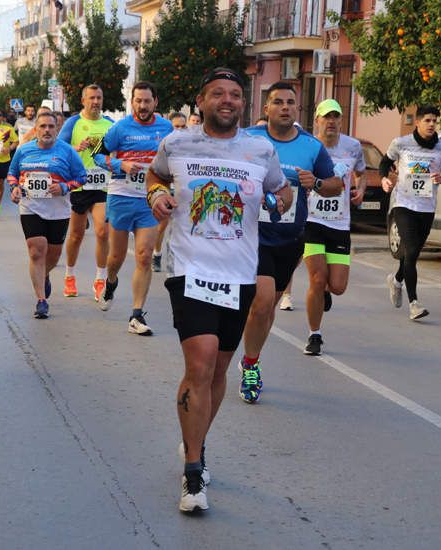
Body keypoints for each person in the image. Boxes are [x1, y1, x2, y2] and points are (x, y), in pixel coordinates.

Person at [147, 67, 289, 513]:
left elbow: (281, 193)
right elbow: (154, 177)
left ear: (242, 104)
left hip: (240, 273)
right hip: (188, 268)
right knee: (201, 361)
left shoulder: (260, 149)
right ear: (201, 101)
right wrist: (156, 197)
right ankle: (192, 474)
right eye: (217, 94)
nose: (227, 100)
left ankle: (198, 440)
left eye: (234, 94)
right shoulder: (177, 143)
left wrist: (278, 201)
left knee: (219, 369)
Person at [236, 82, 342, 403]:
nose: (285, 107)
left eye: (290, 102)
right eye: (277, 102)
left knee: (268, 310)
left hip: (291, 238)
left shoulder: (312, 147)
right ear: (266, 109)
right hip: (252, 235)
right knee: (263, 299)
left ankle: (250, 357)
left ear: (298, 110)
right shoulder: (250, 140)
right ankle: (251, 365)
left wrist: (318, 182)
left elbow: (336, 185)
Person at [92, 82, 174, 335]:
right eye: (138, 100)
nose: (142, 105)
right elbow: (97, 155)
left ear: (155, 102)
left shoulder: (166, 128)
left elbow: (175, 159)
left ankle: (136, 314)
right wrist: (120, 165)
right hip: (121, 196)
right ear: (132, 102)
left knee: (144, 255)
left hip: (150, 198)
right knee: (115, 258)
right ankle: (111, 281)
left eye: (147, 101)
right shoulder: (120, 128)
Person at [379, 106, 441, 320]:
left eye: (435, 120)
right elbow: (385, 163)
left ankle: (396, 279)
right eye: (427, 120)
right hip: (403, 204)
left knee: (413, 253)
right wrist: (384, 179)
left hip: (427, 207)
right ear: (417, 122)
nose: (431, 124)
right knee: (410, 251)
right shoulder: (401, 143)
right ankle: (414, 303)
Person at [302, 99, 366, 355]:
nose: (331, 122)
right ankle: (314, 335)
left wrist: (360, 190)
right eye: (326, 117)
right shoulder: (308, 145)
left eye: (335, 117)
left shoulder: (353, 147)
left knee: (337, 286)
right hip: (312, 221)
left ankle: (326, 292)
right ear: (317, 120)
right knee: (317, 279)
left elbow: (360, 173)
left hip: (339, 223)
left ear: (341, 120)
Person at [7, 112, 86, 318]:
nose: (47, 130)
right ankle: (41, 300)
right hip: (30, 207)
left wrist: (64, 187)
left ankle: (46, 274)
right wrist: (15, 188)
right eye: (43, 126)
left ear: (57, 129)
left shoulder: (67, 151)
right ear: (36, 129)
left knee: (53, 254)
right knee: (36, 251)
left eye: (51, 126)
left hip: (58, 210)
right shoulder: (24, 150)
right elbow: (12, 174)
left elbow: (81, 177)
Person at [57, 85, 114, 300]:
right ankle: (69, 275)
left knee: (102, 232)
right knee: (76, 235)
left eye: (99, 98)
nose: (96, 102)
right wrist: (76, 148)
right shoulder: (73, 123)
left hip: (102, 184)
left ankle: (100, 279)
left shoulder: (109, 123)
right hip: (80, 185)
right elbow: (60, 148)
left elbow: (118, 147)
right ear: (83, 101)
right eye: (91, 98)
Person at [151, 111, 188, 273]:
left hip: (183, 193)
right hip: (166, 191)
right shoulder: (164, 145)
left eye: (182, 126)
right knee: (161, 227)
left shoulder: (190, 146)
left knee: (180, 228)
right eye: (176, 126)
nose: (179, 129)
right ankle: (157, 253)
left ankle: (176, 260)